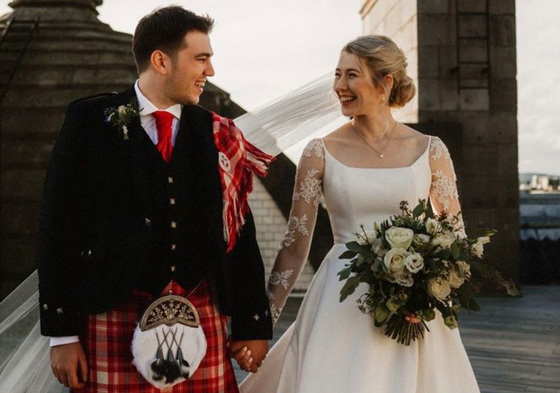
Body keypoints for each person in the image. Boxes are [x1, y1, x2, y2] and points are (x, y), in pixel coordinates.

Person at [38, 6, 272, 392]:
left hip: (200, 311)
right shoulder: (89, 121)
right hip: (113, 310)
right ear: (161, 61)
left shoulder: (217, 132)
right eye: (201, 59)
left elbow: (238, 232)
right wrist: (62, 334)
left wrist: (252, 322)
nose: (210, 71)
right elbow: (59, 227)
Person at [239, 35, 480, 393]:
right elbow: (294, 246)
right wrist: (263, 322)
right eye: (337, 75)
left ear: (385, 82)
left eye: (351, 75)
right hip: (340, 301)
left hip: (412, 303)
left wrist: (430, 290)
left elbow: (455, 237)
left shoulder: (430, 150)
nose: (339, 86)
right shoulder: (319, 151)